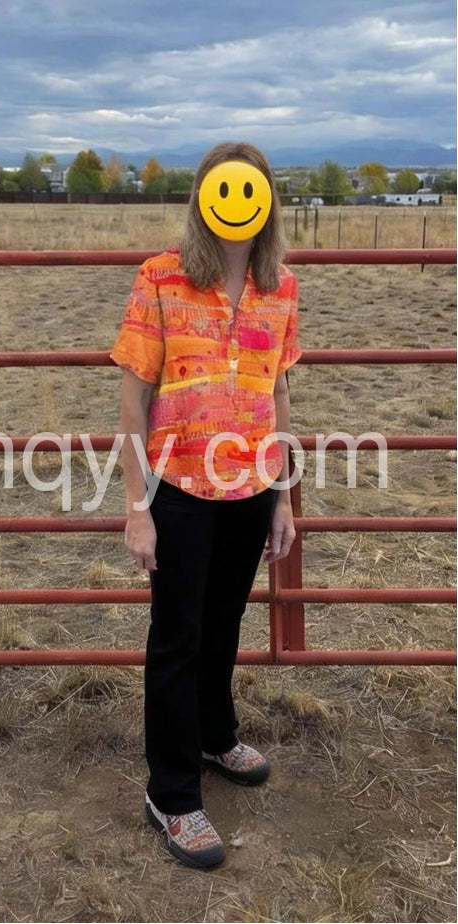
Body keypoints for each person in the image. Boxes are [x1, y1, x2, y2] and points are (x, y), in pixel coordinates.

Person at [109, 141, 303, 869]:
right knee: (178, 637)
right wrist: (138, 506)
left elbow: (278, 392)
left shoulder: (281, 286)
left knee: (224, 625)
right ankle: (171, 793)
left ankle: (215, 738)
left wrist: (282, 498)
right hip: (181, 490)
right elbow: (133, 401)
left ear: (267, 202)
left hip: (251, 489)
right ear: (203, 197)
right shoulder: (161, 278)